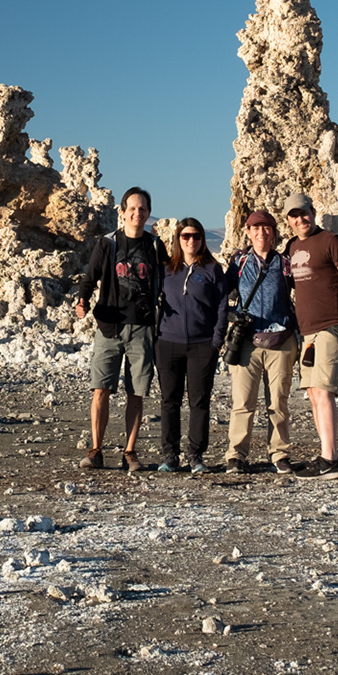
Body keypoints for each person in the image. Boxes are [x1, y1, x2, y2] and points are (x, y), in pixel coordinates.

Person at [72, 187, 167, 471]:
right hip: (109, 327)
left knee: (136, 392)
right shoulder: (108, 244)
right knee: (101, 389)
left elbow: (165, 283)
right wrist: (82, 300)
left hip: (142, 328)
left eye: (143, 209)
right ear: (123, 212)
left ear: (148, 214)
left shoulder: (154, 246)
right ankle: (95, 449)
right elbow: (91, 277)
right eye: (133, 209)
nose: (138, 213)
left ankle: (130, 452)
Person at [281, 191, 338, 478]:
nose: (300, 219)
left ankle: (331, 460)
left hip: (333, 325)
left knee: (325, 391)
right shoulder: (291, 248)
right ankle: (325, 455)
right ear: (288, 221)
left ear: (313, 213)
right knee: (314, 392)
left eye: (304, 213)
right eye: (294, 215)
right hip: (308, 331)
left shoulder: (331, 241)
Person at [223, 208, 298, 475]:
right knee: (243, 402)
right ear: (247, 232)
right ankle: (236, 455)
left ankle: (279, 454)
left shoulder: (285, 263)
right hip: (248, 341)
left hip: (281, 339)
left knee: (278, 402)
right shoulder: (239, 262)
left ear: (274, 233)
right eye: (256, 228)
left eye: (266, 228)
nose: (261, 233)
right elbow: (222, 291)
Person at [154, 218, 229, 474]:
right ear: (177, 239)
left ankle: (196, 455)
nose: (191, 241)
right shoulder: (165, 269)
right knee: (169, 401)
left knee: (199, 402)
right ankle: (170, 456)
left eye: (196, 236)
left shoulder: (212, 269)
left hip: (202, 345)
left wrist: (217, 341)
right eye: (185, 236)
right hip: (168, 344)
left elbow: (222, 306)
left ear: (202, 240)